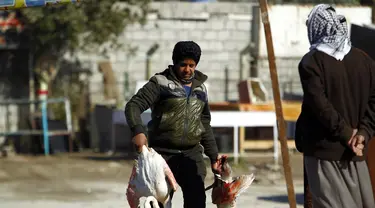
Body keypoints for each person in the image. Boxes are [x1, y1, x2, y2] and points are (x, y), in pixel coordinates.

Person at [296, 4, 375, 208]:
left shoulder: (311, 62)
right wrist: (362, 134)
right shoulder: (364, 60)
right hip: (357, 152)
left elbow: (320, 106)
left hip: (325, 155)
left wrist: (348, 134)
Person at [124, 41, 221, 208]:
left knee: (196, 202)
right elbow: (133, 106)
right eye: (183, 64)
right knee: (158, 203)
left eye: (192, 65)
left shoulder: (201, 89)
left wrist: (214, 156)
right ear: (175, 63)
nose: (188, 69)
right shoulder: (160, 83)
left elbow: (204, 123)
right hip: (162, 155)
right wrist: (138, 131)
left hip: (191, 155)